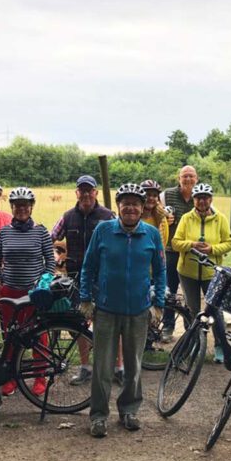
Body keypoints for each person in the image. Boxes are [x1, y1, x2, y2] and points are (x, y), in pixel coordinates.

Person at [79, 183, 166, 438]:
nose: (130, 208)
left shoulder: (151, 234)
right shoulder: (104, 230)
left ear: (142, 208)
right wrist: (86, 299)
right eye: (125, 203)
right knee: (102, 368)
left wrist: (158, 303)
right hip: (106, 309)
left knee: (134, 366)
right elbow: (88, 266)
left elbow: (160, 271)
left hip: (138, 310)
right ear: (118, 206)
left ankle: (129, 410)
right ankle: (98, 416)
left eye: (135, 204)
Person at [0, 187, 56, 396]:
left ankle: (40, 377)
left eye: (25, 206)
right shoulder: (4, 232)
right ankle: (10, 377)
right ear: (12, 207)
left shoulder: (41, 231)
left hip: (33, 292)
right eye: (17, 206)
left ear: (31, 207)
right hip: (9, 291)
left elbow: (50, 263)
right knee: (11, 335)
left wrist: (43, 283)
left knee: (39, 335)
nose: (21, 209)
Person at [52, 175, 115, 385]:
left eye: (90, 190)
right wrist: (53, 255)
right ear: (77, 193)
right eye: (82, 190)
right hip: (76, 277)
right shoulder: (68, 216)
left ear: (96, 193)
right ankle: (86, 367)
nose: (86, 194)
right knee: (79, 323)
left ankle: (115, 367)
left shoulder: (108, 216)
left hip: (103, 277)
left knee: (106, 322)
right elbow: (51, 237)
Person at [171, 183, 231, 363]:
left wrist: (212, 249)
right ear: (194, 200)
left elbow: (229, 243)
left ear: (211, 199)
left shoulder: (220, 218)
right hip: (187, 272)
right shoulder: (186, 218)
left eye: (206, 197)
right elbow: (175, 243)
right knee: (191, 311)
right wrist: (191, 245)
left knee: (216, 310)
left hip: (211, 273)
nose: (202, 201)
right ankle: (193, 345)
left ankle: (220, 346)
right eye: (199, 198)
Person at [159, 165, 198, 341]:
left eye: (191, 176)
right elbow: (156, 212)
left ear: (196, 178)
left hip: (192, 251)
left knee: (190, 293)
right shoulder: (167, 194)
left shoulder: (200, 195)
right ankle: (168, 326)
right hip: (171, 250)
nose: (188, 179)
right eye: (185, 176)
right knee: (170, 290)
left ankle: (190, 328)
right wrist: (164, 218)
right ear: (179, 178)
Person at [140, 179, 169, 250]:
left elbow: (164, 242)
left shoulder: (161, 219)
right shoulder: (133, 218)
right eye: (148, 195)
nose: (151, 198)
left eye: (155, 195)